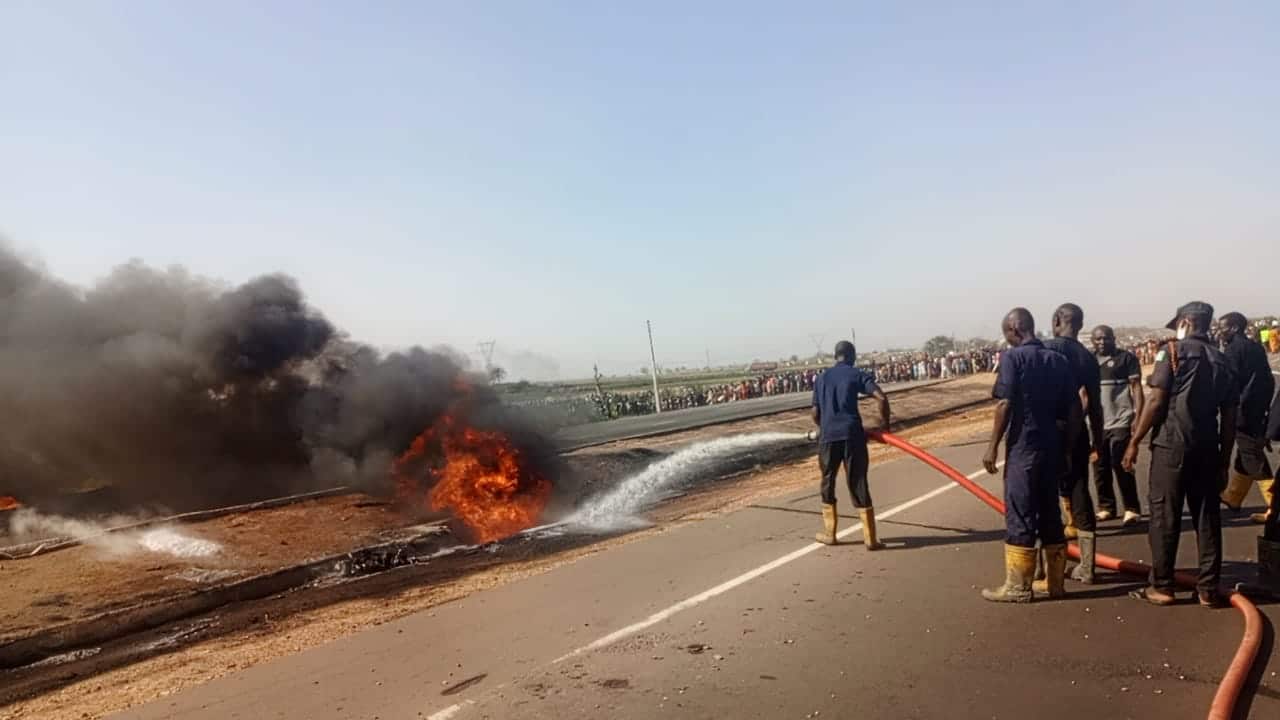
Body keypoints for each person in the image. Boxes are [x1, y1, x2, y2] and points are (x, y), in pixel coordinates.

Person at [1123, 301, 1237, 607]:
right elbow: (1229, 418)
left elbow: (1157, 401)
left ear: (1186, 321)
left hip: (1172, 446)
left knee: (1164, 515)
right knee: (1206, 518)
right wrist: (1224, 460)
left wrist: (1134, 441)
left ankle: (1162, 586)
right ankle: (1208, 589)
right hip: (1207, 448)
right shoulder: (1223, 360)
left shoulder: (1171, 351)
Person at [982, 308, 1081, 603]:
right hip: (1052, 446)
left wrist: (992, 446)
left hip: (1024, 447)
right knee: (1050, 512)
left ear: (1014, 329)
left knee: (1021, 512)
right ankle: (1055, 584)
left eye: (1007, 334)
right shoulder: (1058, 360)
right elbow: (1075, 409)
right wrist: (1066, 449)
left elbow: (1004, 405)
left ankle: (1018, 586)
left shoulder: (1013, 358)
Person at [1044, 303, 1106, 584]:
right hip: (1078, 432)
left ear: (1057, 320)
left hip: (1047, 434)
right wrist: (1098, 441)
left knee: (1043, 498)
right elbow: (1095, 407)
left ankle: (1049, 569)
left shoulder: (1046, 349)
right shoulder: (1087, 357)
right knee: (1082, 495)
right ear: (1080, 325)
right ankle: (1088, 567)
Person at [811, 340, 891, 550]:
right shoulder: (856, 374)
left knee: (827, 479)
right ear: (852, 356)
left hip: (828, 438)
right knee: (858, 481)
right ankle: (870, 539)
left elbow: (815, 413)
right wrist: (884, 426)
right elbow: (881, 398)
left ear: (835, 355)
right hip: (852, 435)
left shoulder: (821, 378)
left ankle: (830, 533)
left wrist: (826, 426)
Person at [1218, 312, 1276, 523]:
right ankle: (1233, 496)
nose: (1219, 331)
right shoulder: (1255, 347)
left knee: (1254, 459)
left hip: (1242, 410)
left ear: (1234, 328)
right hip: (1258, 408)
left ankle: (1275, 506)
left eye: (1222, 327)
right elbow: (1268, 380)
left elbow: (1230, 382)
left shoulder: (1233, 350)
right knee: (1245, 455)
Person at [1090, 325, 1145, 525]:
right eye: (1097, 339)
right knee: (1099, 466)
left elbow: (1136, 389)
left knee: (1121, 464)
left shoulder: (1126, 359)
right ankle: (1106, 507)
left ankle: (1131, 508)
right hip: (1096, 424)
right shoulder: (1089, 361)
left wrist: (1138, 417)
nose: (1101, 343)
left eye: (1105, 338)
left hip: (1121, 420)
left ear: (1113, 339)